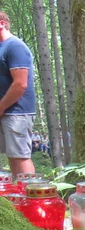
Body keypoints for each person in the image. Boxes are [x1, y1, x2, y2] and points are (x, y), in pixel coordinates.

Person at [0, 12, 35, 178]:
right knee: (12, 156)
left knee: (20, 157)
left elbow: (20, 84)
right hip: (6, 111)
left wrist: (1, 106)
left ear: (1, 24)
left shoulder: (15, 47)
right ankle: (19, 198)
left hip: (17, 111)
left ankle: (33, 198)